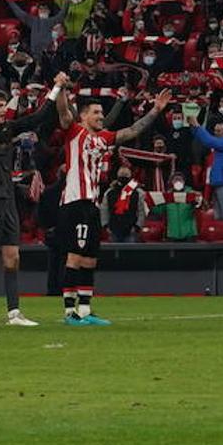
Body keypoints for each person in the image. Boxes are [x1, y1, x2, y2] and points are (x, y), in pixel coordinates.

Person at [58, 90, 169, 326]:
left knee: (90, 258)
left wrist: (156, 110)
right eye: (96, 113)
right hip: (75, 202)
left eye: (101, 112)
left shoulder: (103, 138)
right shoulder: (75, 132)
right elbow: (63, 113)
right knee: (75, 255)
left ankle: (86, 310)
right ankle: (69, 313)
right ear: (84, 116)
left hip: (92, 204)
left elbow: (132, 131)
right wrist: (60, 90)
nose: (101, 116)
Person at [0, 69, 62, 326]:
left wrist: (57, 87)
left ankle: (14, 313)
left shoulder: (8, 128)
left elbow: (39, 117)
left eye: (5, 105)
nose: (2, 110)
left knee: (12, 256)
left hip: (7, 200)